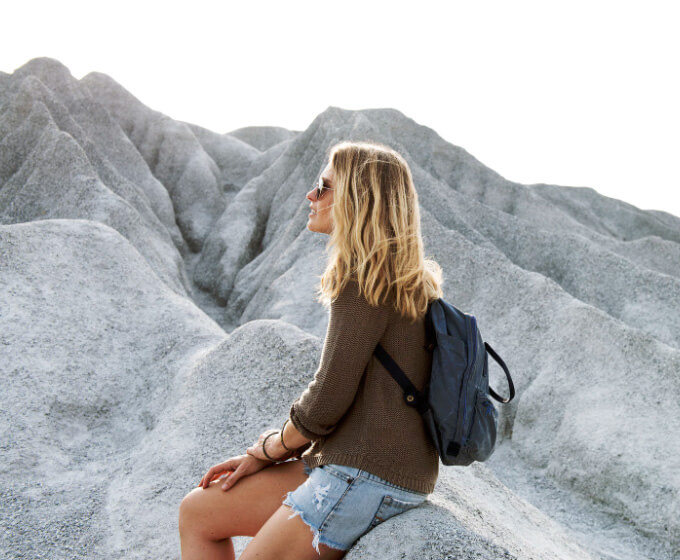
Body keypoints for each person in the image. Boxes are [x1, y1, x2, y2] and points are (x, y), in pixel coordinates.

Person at [179, 140, 443, 559]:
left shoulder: (363, 280)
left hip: (366, 475)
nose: (310, 195)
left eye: (323, 187)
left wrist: (267, 450)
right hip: (368, 465)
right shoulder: (406, 280)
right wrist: (274, 453)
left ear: (358, 199)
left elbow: (327, 398)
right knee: (198, 511)